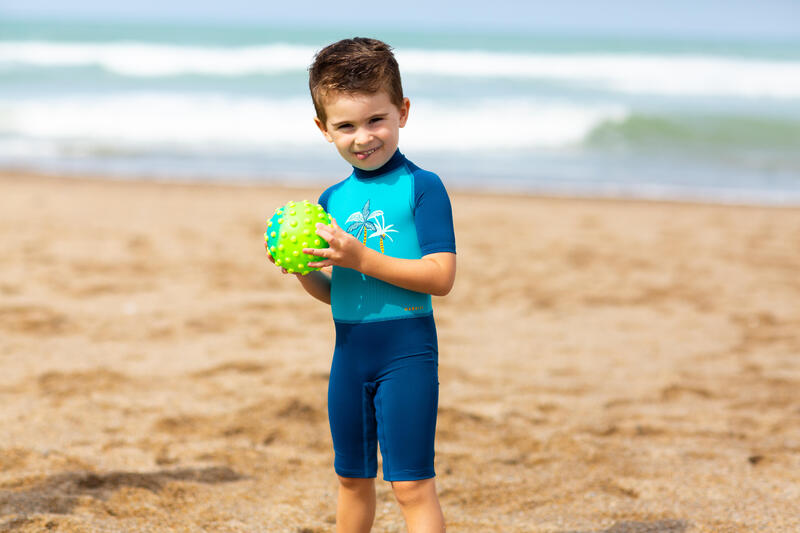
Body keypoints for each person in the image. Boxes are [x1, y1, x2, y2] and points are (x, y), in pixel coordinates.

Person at [267, 37, 456, 533]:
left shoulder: (423, 186)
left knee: (412, 486)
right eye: (345, 125)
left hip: (407, 354)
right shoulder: (330, 199)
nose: (363, 137)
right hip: (348, 355)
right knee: (351, 479)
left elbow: (441, 277)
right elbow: (337, 293)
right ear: (323, 129)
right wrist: (305, 270)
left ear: (403, 111)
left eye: (376, 119)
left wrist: (362, 257)